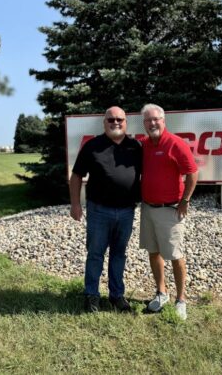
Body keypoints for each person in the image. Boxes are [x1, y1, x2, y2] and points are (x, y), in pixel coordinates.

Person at [69, 106, 142, 313]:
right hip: (99, 211)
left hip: (127, 211)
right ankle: (91, 295)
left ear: (126, 122)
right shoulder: (92, 145)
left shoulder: (136, 147)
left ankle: (116, 295)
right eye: (111, 120)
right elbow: (76, 176)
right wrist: (75, 204)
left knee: (119, 254)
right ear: (104, 123)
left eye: (120, 119)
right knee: (95, 254)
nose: (115, 122)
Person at [139, 103, 198, 320]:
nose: (152, 123)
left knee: (175, 256)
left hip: (170, 210)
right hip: (148, 208)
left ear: (164, 121)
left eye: (156, 119)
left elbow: (192, 173)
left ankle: (181, 299)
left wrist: (185, 200)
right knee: (153, 252)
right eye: (148, 120)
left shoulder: (176, 144)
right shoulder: (144, 145)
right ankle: (161, 293)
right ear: (144, 123)